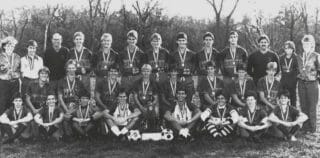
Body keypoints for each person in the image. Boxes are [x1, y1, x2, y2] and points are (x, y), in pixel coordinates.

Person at [296, 35, 320, 134]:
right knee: (303, 105)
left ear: (312, 44)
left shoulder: (316, 55)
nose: (306, 45)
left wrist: (316, 80)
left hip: (312, 83)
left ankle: (312, 127)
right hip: (301, 83)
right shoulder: (299, 55)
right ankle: (305, 126)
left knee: (312, 106)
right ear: (302, 44)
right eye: (304, 43)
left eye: (308, 43)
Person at [132, 64, 160, 132]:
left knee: (156, 110)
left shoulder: (154, 83)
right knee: (136, 113)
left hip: (150, 104)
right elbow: (135, 97)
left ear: (150, 72)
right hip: (139, 104)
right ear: (141, 72)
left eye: (147, 71)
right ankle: (140, 126)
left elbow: (156, 98)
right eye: (144, 71)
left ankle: (155, 126)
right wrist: (141, 107)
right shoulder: (136, 83)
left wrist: (151, 105)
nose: (146, 73)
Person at [0, 36, 21, 115]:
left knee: (13, 102)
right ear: (4, 46)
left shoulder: (17, 57)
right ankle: (2, 122)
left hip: (14, 83)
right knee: (2, 102)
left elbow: (19, 70)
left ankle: (11, 120)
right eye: (9, 45)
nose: (10, 47)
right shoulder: (0, 57)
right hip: (3, 83)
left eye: (12, 46)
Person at [279, 41, 299, 107]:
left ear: (293, 49)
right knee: (284, 98)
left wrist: (295, 80)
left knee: (293, 99)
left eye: (290, 48)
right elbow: (279, 69)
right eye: (286, 48)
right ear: (284, 49)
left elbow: (298, 70)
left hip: (292, 82)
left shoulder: (296, 58)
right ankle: (284, 113)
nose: (288, 50)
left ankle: (293, 113)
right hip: (284, 81)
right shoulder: (281, 58)